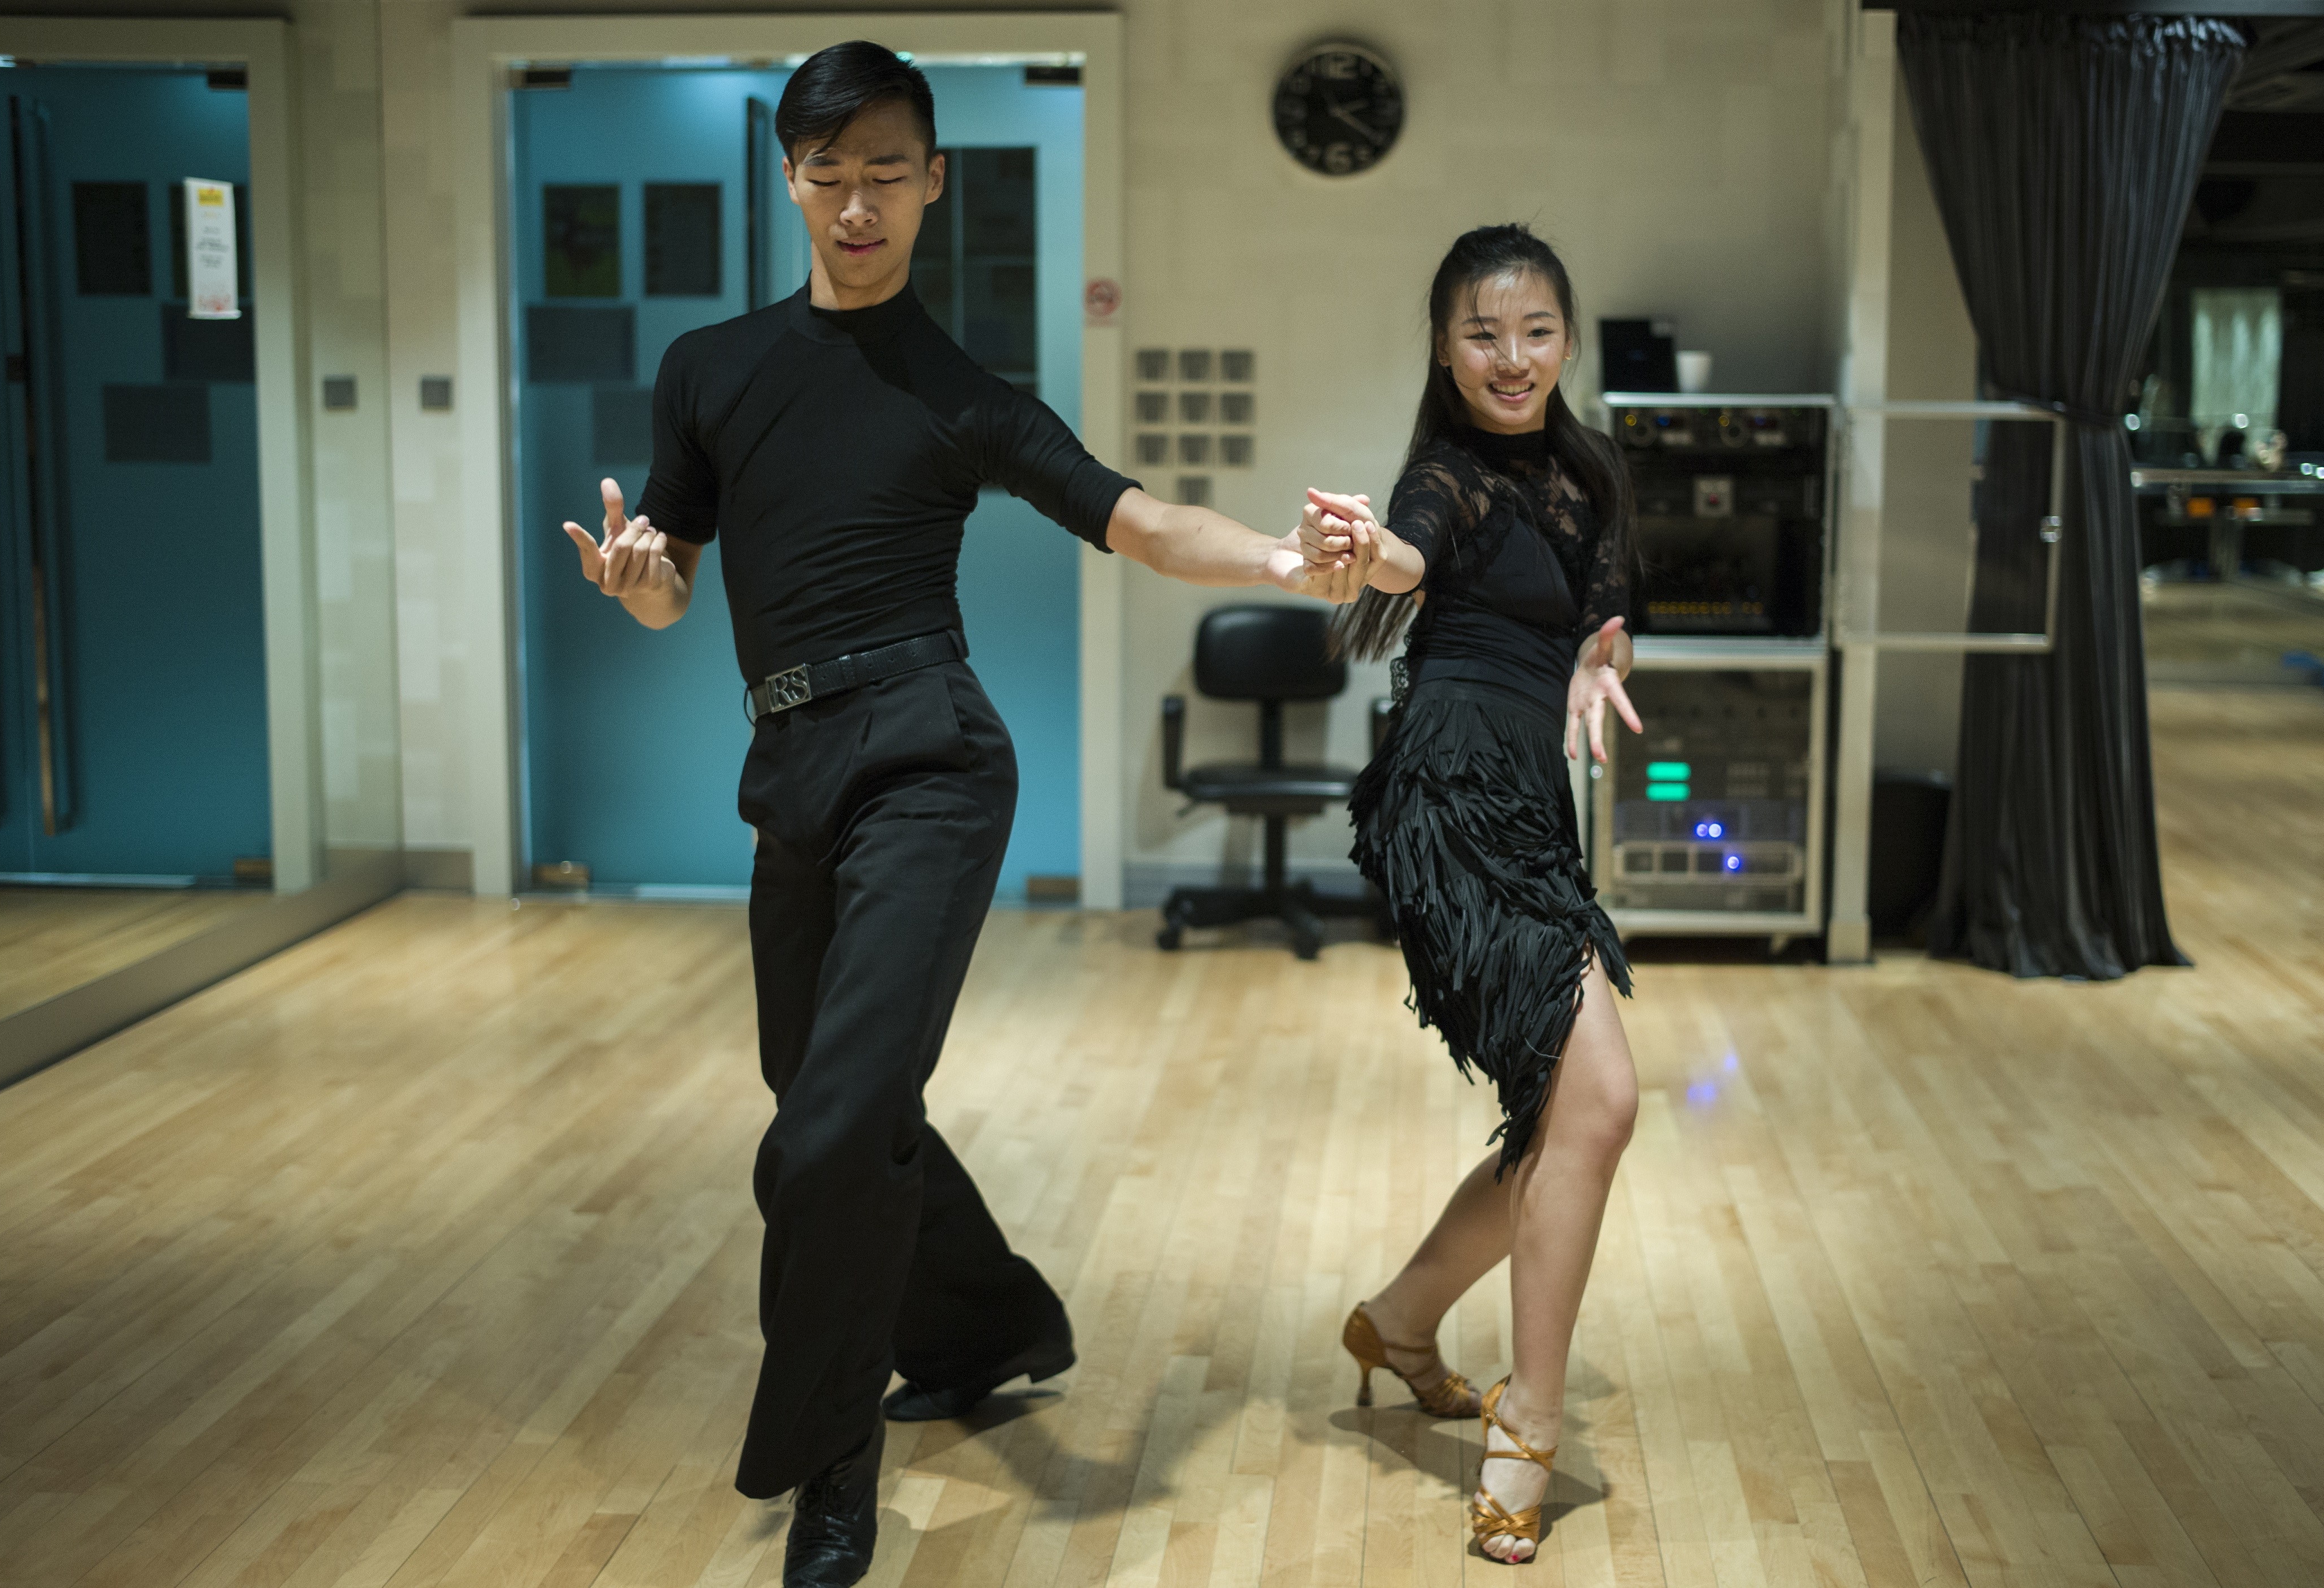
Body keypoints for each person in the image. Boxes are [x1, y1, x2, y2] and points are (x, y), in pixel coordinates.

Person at [560, 41, 1371, 1588]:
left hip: (930, 759)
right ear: (788, 180)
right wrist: (641, 582)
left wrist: (1282, 559)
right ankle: (994, 1323)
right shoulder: (710, 369)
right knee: (828, 1107)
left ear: (934, 182)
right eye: (828, 172)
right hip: (791, 768)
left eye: (887, 171)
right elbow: (672, 585)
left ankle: (832, 1475)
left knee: (827, 1134)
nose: (857, 202)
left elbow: (1141, 521)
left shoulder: (961, 396)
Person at [1299, 225, 1643, 1567]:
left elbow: (1602, 612)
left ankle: (1396, 1322)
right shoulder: (1444, 474)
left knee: (1568, 1114)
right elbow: (1408, 551)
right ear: (1445, 351)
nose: (1512, 356)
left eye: (1536, 330)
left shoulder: (1593, 472)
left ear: (1568, 339)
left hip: (1533, 811)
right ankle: (1529, 1423)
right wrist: (1366, 547)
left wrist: (1600, 655)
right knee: (1598, 1101)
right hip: (1446, 803)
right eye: (1482, 333)